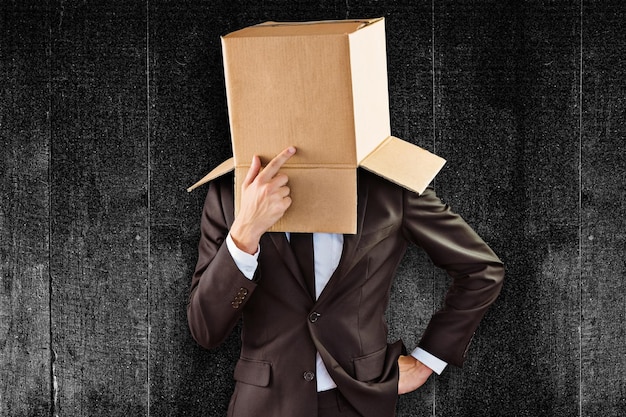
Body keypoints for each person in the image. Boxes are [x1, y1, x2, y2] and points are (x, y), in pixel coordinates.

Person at [188, 146, 504, 417]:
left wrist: (428, 360)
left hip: (358, 401)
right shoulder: (231, 191)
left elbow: (481, 270)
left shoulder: (389, 185)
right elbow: (205, 329)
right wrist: (244, 233)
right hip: (264, 405)